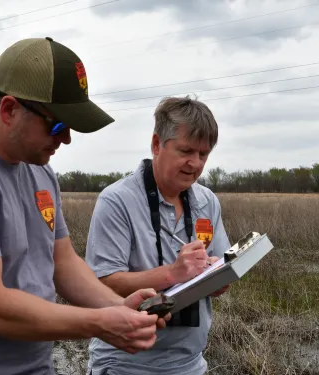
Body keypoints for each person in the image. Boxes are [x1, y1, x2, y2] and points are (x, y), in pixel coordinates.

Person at [0, 37, 170, 375]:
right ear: (10, 109)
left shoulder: (39, 171)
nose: (66, 138)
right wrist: (101, 322)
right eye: (56, 124)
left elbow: (62, 262)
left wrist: (121, 307)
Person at [85, 96, 232, 375]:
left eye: (203, 154)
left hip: (190, 364)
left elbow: (218, 268)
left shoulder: (208, 201)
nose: (195, 164)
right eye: (186, 151)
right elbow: (103, 282)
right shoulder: (117, 200)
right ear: (156, 144)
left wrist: (218, 279)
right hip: (124, 365)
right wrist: (173, 274)